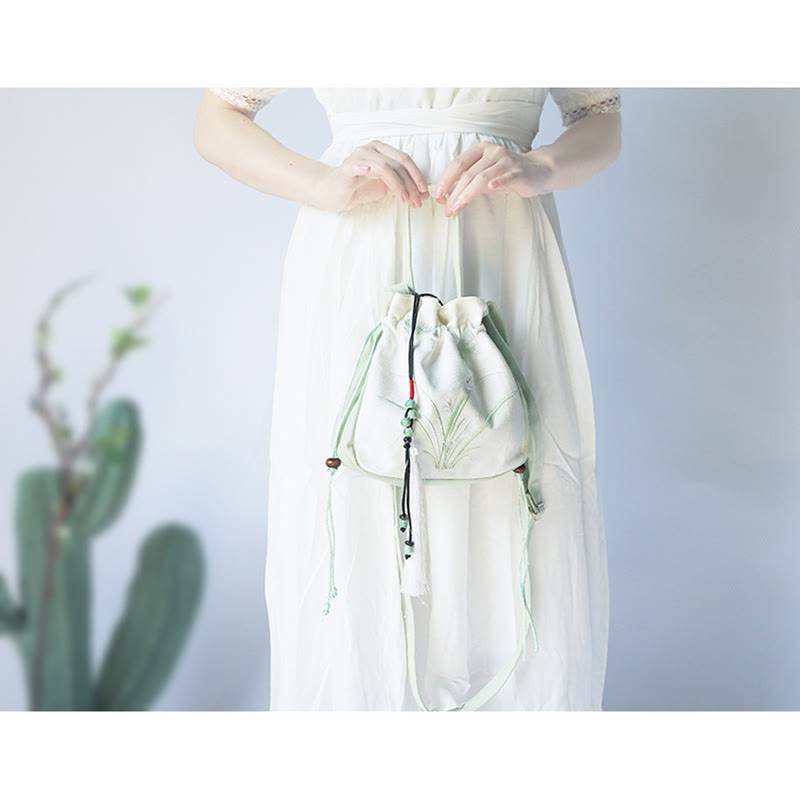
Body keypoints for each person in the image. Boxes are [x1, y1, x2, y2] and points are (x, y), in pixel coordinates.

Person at [193, 88, 622, 711]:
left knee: (514, 488)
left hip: (500, 253)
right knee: (359, 484)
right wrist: (324, 184)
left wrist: (543, 165)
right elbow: (217, 120)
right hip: (361, 260)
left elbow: (599, 119)